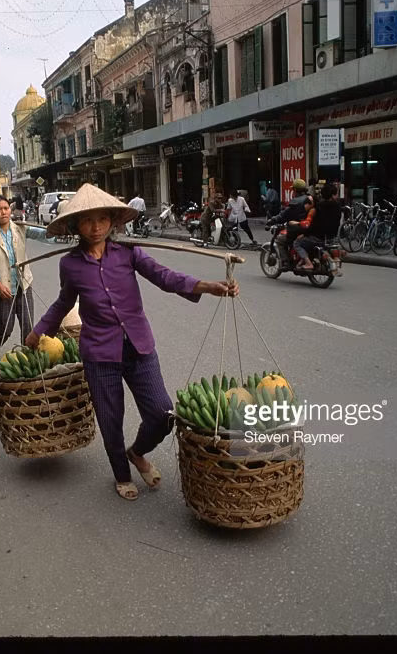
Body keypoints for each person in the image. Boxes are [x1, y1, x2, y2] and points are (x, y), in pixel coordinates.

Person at [24, 184, 240, 501]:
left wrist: (207, 286)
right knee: (111, 420)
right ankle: (122, 475)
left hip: (139, 346)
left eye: (102, 219)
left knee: (162, 413)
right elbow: (63, 302)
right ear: (75, 226)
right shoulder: (70, 264)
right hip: (100, 353)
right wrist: (40, 330)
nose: (95, 227)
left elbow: (164, 276)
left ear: (113, 220)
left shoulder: (128, 251)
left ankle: (137, 452)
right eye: (87, 221)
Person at [0, 195, 52, 369]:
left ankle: (28, 358)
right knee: (5, 327)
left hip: (23, 285)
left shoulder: (19, 228)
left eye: (6, 208)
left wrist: (53, 231)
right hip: (3, 290)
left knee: (27, 324)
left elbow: (41, 234)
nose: (3, 212)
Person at [295, 182, 343, 271]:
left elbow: (314, 225)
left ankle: (308, 263)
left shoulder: (319, 207)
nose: (337, 196)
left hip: (318, 237)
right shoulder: (338, 206)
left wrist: (304, 234)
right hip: (332, 237)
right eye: (336, 194)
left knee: (297, 243)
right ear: (332, 195)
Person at [266, 182, 312, 270]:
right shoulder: (310, 199)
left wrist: (272, 220)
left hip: (298, 228)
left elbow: (284, 215)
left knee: (280, 240)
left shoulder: (295, 202)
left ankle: (285, 262)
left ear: (295, 190)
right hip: (309, 227)